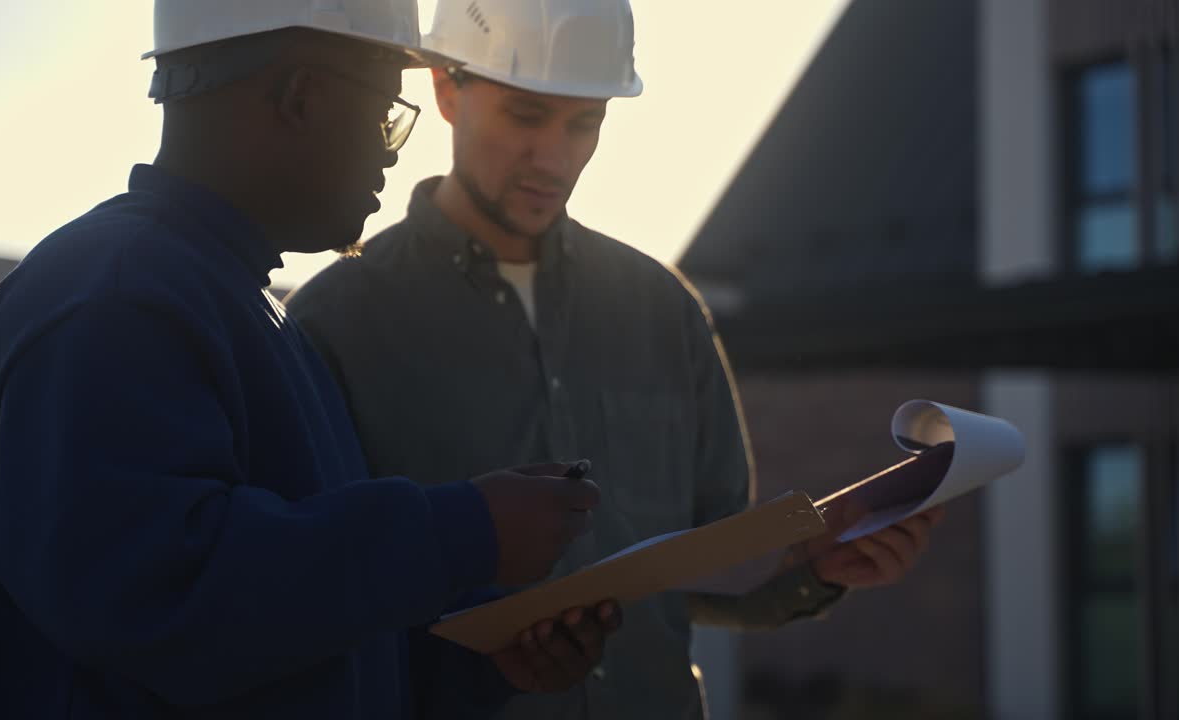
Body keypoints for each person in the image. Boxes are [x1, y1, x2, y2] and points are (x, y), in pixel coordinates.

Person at [285, 0, 944, 718]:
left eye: (584, 122)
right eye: (526, 115)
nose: (554, 157)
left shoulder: (663, 310)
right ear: (448, 90)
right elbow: (312, 606)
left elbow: (705, 581)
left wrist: (813, 570)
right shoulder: (336, 323)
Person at [0, 2, 621, 718]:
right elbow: (160, 605)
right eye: (387, 110)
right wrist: (462, 533)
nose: (393, 149)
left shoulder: (230, 300)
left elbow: (285, 640)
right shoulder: (114, 297)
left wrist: (477, 653)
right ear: (302, 97)